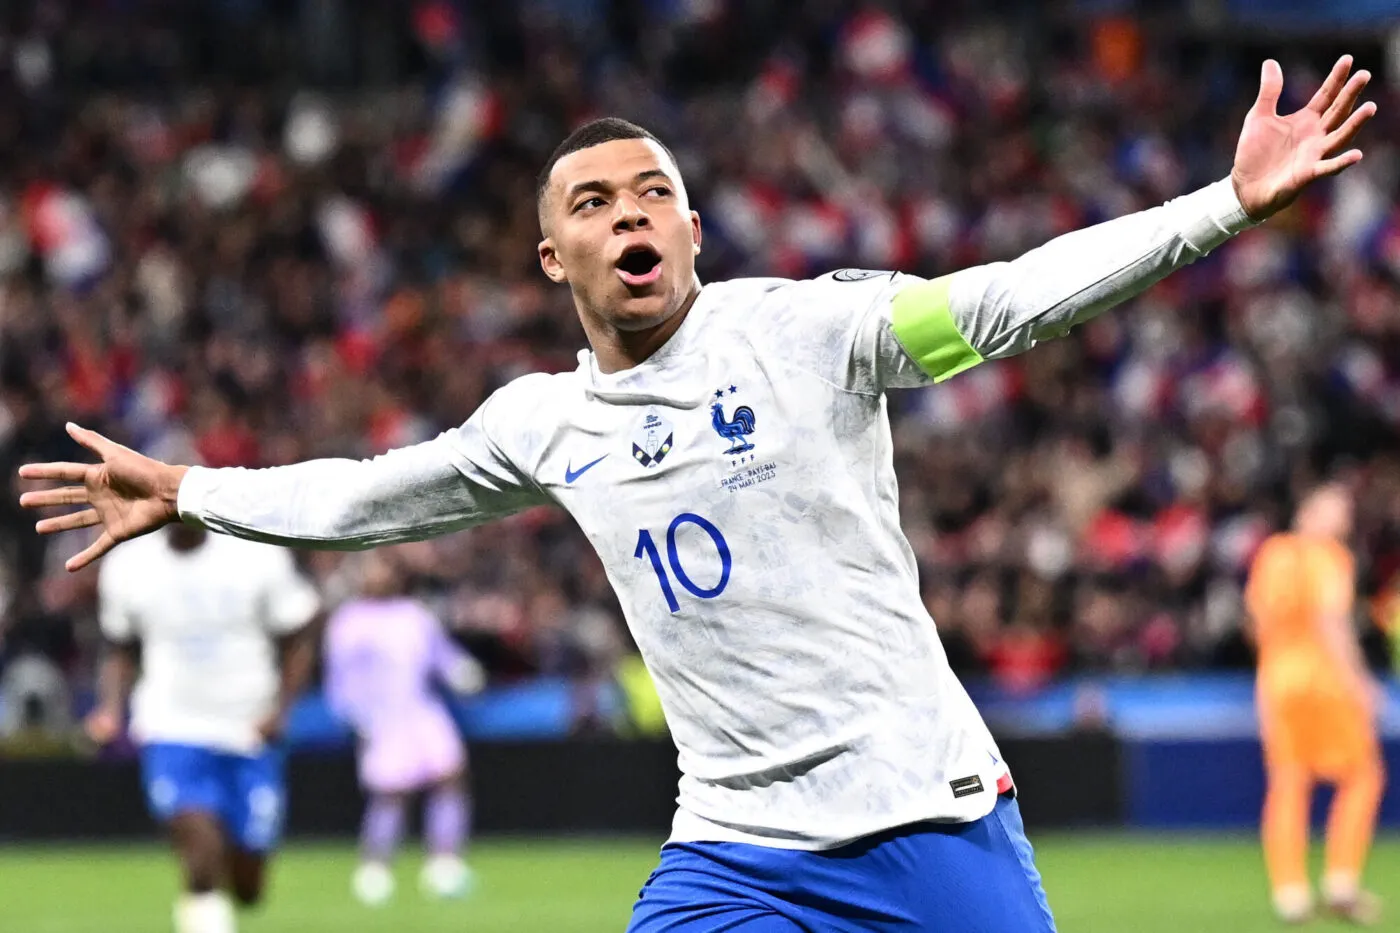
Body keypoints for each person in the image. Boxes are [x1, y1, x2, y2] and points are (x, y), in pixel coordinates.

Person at [21, 56, 1375, 932]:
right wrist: (194, 488)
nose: (632, 216)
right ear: (554, 256)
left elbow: (1008, 303)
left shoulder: (810, 331)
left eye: (654, 193)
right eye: (596, 202)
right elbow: (378, 496)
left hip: (923, 815)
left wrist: (1224, 208)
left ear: (691, 228)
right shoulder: (544, 424)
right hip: (732, 847)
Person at [85, 521, 320, 933]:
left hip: (250, 728)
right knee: (200, 844)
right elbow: (118, 645)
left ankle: (229, 883)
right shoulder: (128, 565)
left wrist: (281, 711)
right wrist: (110, 708)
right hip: (170, 724)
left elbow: (300, 633)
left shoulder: (256, 555)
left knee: (249, 885)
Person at [1246, 483, 1386, 925]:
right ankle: (1341, 880)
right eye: (1336, 507)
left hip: (1277, 679)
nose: (1343, 516)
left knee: (1288, 781)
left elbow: (1258, 622)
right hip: (1324, 678)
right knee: (1363, 775)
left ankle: (1290, 892)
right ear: (1309, 510)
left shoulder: (1271, 554)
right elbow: (1331, 621)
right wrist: (1361, 682)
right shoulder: (1328, 556)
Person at [322, 549, 485, 905]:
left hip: (422, 711)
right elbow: (339, 680)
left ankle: (444, 863)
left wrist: (461, 672)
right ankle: (375, 868)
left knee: (450, 778)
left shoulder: (414, 615)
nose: (382, 576)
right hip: (381, 719)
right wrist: (351, 716)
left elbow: (441, 656)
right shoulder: (348, 621)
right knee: (390, 794)